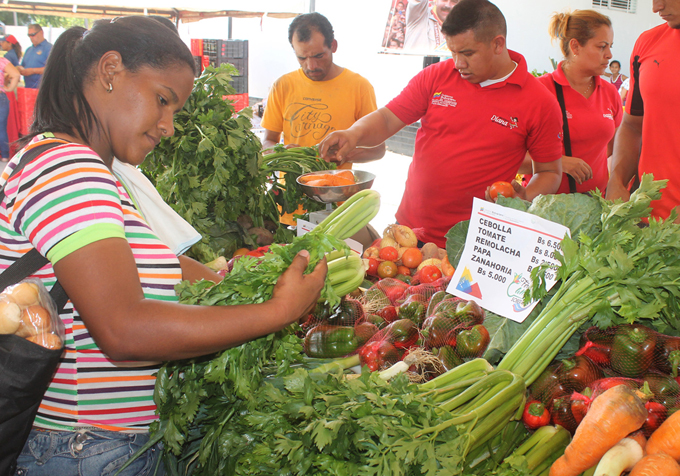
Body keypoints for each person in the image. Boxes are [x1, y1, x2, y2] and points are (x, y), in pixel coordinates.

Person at [3, 16, 326, 475]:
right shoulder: (70, 171)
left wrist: (234, 284)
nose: (168, 126)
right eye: (162, 100)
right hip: (85, 446)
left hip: (100, 445)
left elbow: (149, 266)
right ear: (110, 70)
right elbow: (123, 330)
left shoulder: (86, 168)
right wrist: (277, 312)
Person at [319, 0, 564, 247]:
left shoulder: (540, 102)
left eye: (468, 53)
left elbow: (549, 172)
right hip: (409, 232)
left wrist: (524, 200)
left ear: (498, 44)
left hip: (474, 242)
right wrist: (353, 134)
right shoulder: (436, 75)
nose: (458, 63)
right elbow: (387, 118)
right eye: (453, 52)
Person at [261, 13, 385, 166]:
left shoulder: (359, 87)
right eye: (302, 58)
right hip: (291, 187)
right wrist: (281, 152)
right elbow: (268, 140)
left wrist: (343, 155)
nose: (311, 66)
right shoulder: (282, 85)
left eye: (318, 56)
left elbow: (378, 149)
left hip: (336, 188)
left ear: (333, 46)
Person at [519, 10, 622, 194]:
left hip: (594, 207)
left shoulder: (610, 93)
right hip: (544, 207)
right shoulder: (540, 90)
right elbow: (510, 157)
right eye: (602, 46)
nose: (609, 54)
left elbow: (615, 148)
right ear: (575, 47)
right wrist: (558, 162)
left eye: (610, 46)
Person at [606, 0, 680, 221]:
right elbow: (632, 125)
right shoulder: (647, 42)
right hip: (643, 218)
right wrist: (616, 181)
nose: (656, 7)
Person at [17, 24, 52, 89]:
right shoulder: (28, 50)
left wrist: (33, 71)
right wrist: (20, 68)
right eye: (29, 35)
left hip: (43, 90)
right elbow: (23, 65)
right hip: (28, 88)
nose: (31, 37)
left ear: (41, 32)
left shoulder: (50, 48)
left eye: (33, 34)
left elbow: (52, 69)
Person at [0, 51, 19, 162]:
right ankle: (5, 156)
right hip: (1, 96)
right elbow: (16, 74)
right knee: (2, 128)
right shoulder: (2, 61)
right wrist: (9, 88)